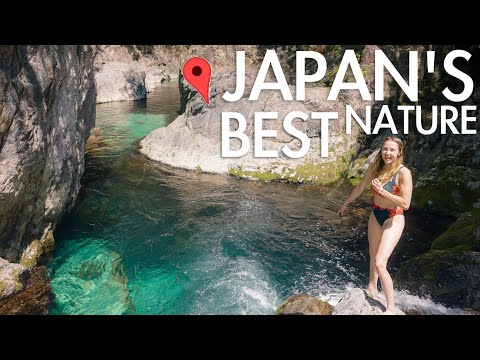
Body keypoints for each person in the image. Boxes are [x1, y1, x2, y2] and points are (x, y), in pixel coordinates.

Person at [338, 136, 413, 315]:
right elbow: (361, 186)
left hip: (393, 218)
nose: (388, 153)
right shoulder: (376, 166)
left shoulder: (403, 173)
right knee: (372, 252)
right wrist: (346, 203)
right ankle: (372, 286)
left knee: (380, 262)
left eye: (392, 150)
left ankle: (391, 308)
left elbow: (405, 203)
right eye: (385, 149)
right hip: (376, 213)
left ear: (399, 152)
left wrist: (382, 192)